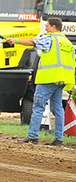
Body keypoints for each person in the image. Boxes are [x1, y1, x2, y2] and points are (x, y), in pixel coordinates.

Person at [6, 17, 75, 146]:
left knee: (38, 107)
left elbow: (32, 42)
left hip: (47, 79)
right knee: (58, 110)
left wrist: (15, 40)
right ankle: (59, 139)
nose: (46, 28)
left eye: (47, 26)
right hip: (61, 81)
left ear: (53, 27)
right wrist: (70, 85)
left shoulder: (50, 38)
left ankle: (32, 136)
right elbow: (72, 64)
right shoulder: (68, 43)